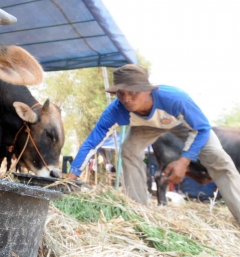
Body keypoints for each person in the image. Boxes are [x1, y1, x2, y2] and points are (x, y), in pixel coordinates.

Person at [67, 64, 240, 224]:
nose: (126, 99)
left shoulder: (174, 98)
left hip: (181, 124)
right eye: (120, 93)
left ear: (148, 90)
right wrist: (71, 177)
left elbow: (202, 128)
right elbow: (92, 143)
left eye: (132, 92)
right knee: (128, 150)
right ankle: (139, 213)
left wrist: (184, 161)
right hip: (146, 126)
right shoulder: (117, 110)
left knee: (218, 159)